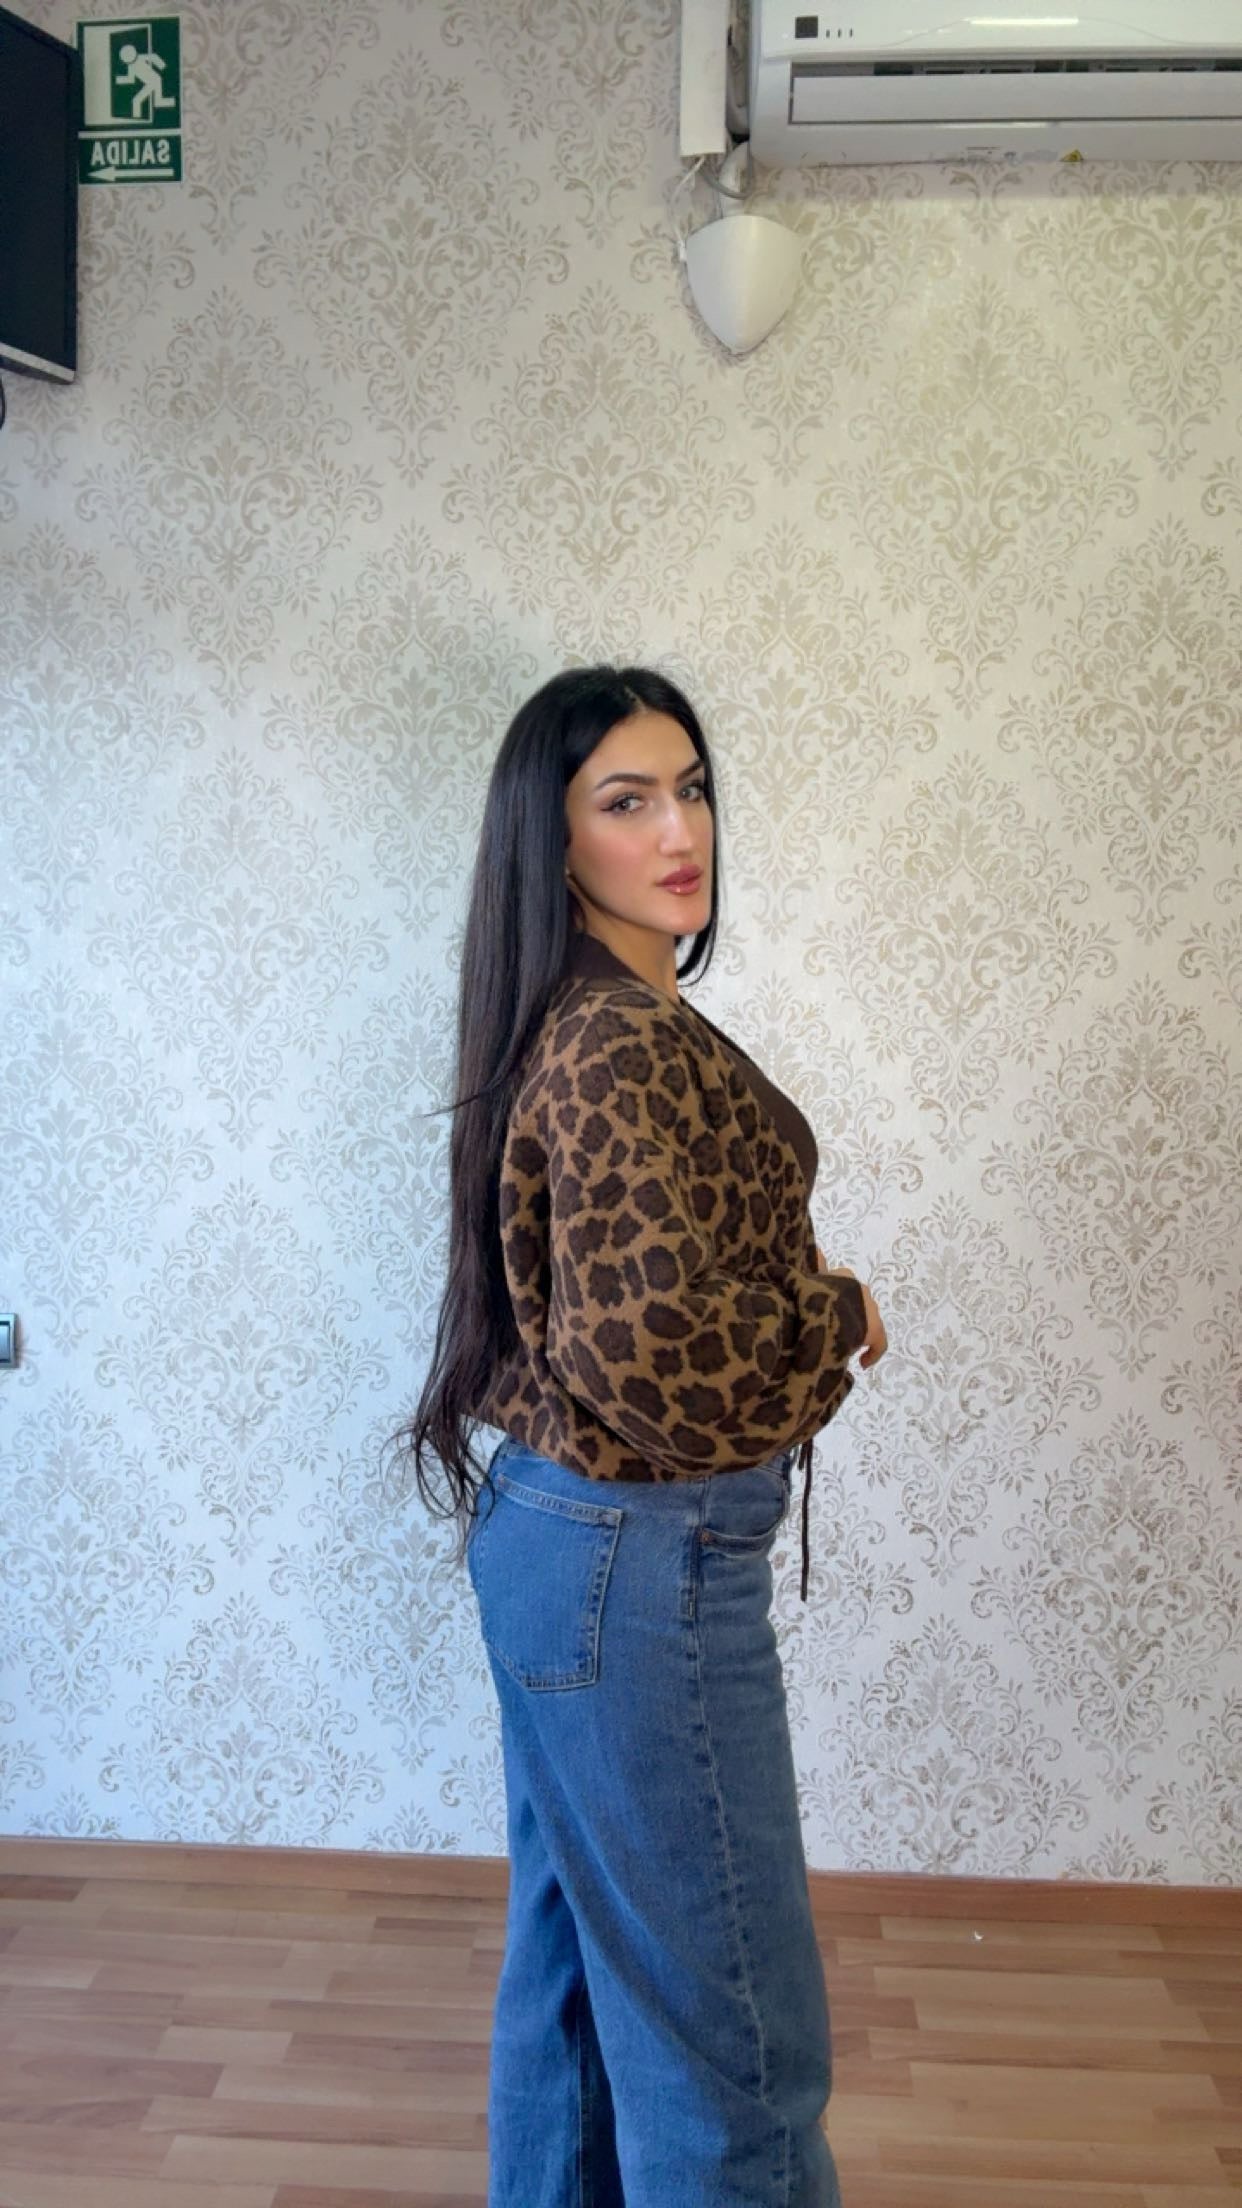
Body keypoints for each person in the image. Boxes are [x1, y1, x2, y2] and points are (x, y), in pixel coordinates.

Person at [385, 664, 887, 2207]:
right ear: (554, 843)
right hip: (636, 1559)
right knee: (734, 2049)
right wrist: (831, 1314)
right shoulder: (612, 1039)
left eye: (693, 789)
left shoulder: (602, 1017)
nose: (680, 831)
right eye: (627, 801)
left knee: (587, 1993)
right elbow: (650, 1357)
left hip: (573, 1548)